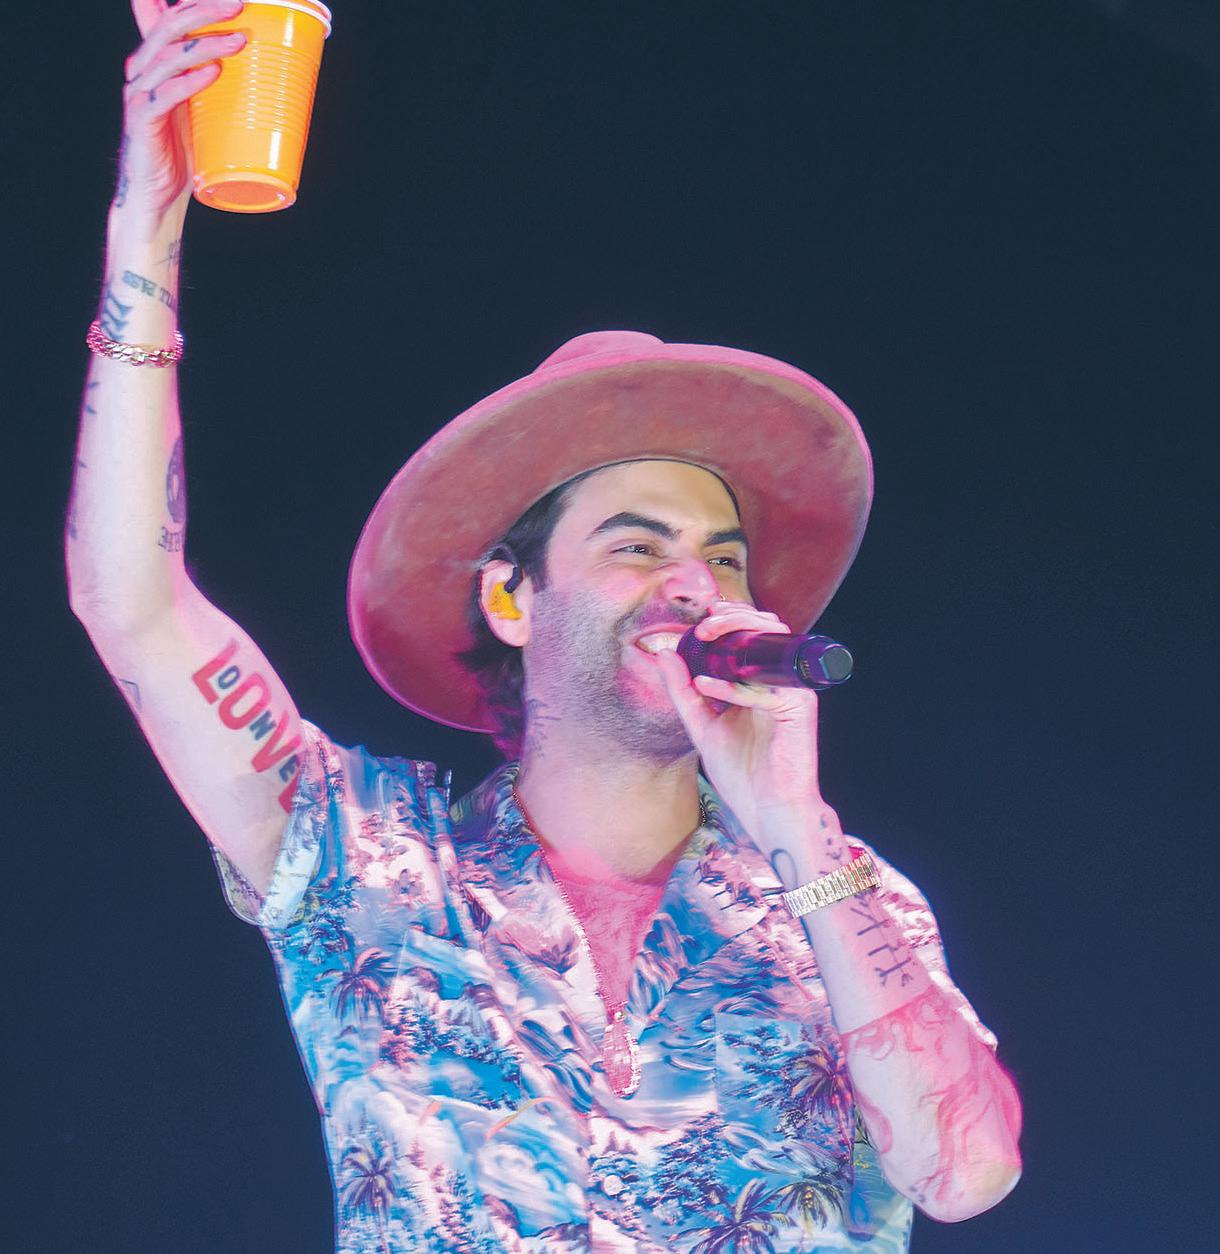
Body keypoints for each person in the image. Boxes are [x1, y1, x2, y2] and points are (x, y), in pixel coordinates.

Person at [69, 2, 1023, 1250]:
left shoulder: (843, 898)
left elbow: (963, 1177)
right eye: (635, 545)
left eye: (720, 556)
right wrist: (144, 233)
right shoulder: (363, 853)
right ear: (512, 597)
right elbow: (131, 604)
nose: (693, 585)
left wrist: (795, 828)